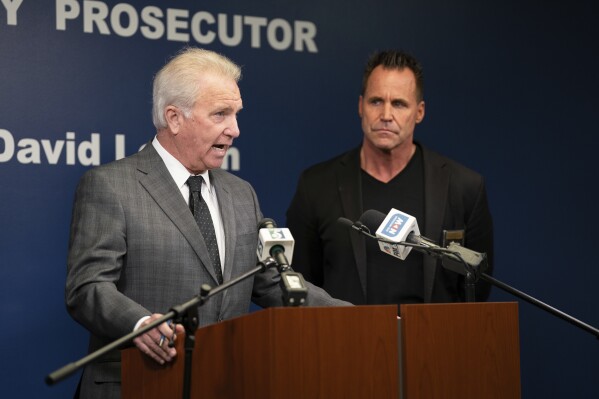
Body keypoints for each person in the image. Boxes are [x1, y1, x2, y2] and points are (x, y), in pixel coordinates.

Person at [65, 47, 350, 399]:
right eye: (221, 114)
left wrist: (353, 320)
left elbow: (272, 281)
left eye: (236, 114)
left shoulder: (240, 193)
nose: (235, 129)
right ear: (174, 118)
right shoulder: (111, 186)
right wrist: (139, 324)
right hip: (138, 383)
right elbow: (87, 287)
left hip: (220, 384)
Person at [286, 50, 493, 309]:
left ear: (419, 112)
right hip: (344, 343)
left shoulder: (464, 187)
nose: (386, 114)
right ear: (360, 106)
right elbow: (299, 284)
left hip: (433, 344)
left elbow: (477, 286)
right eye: (375, 101)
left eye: (398, 103)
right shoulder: (316, 185)